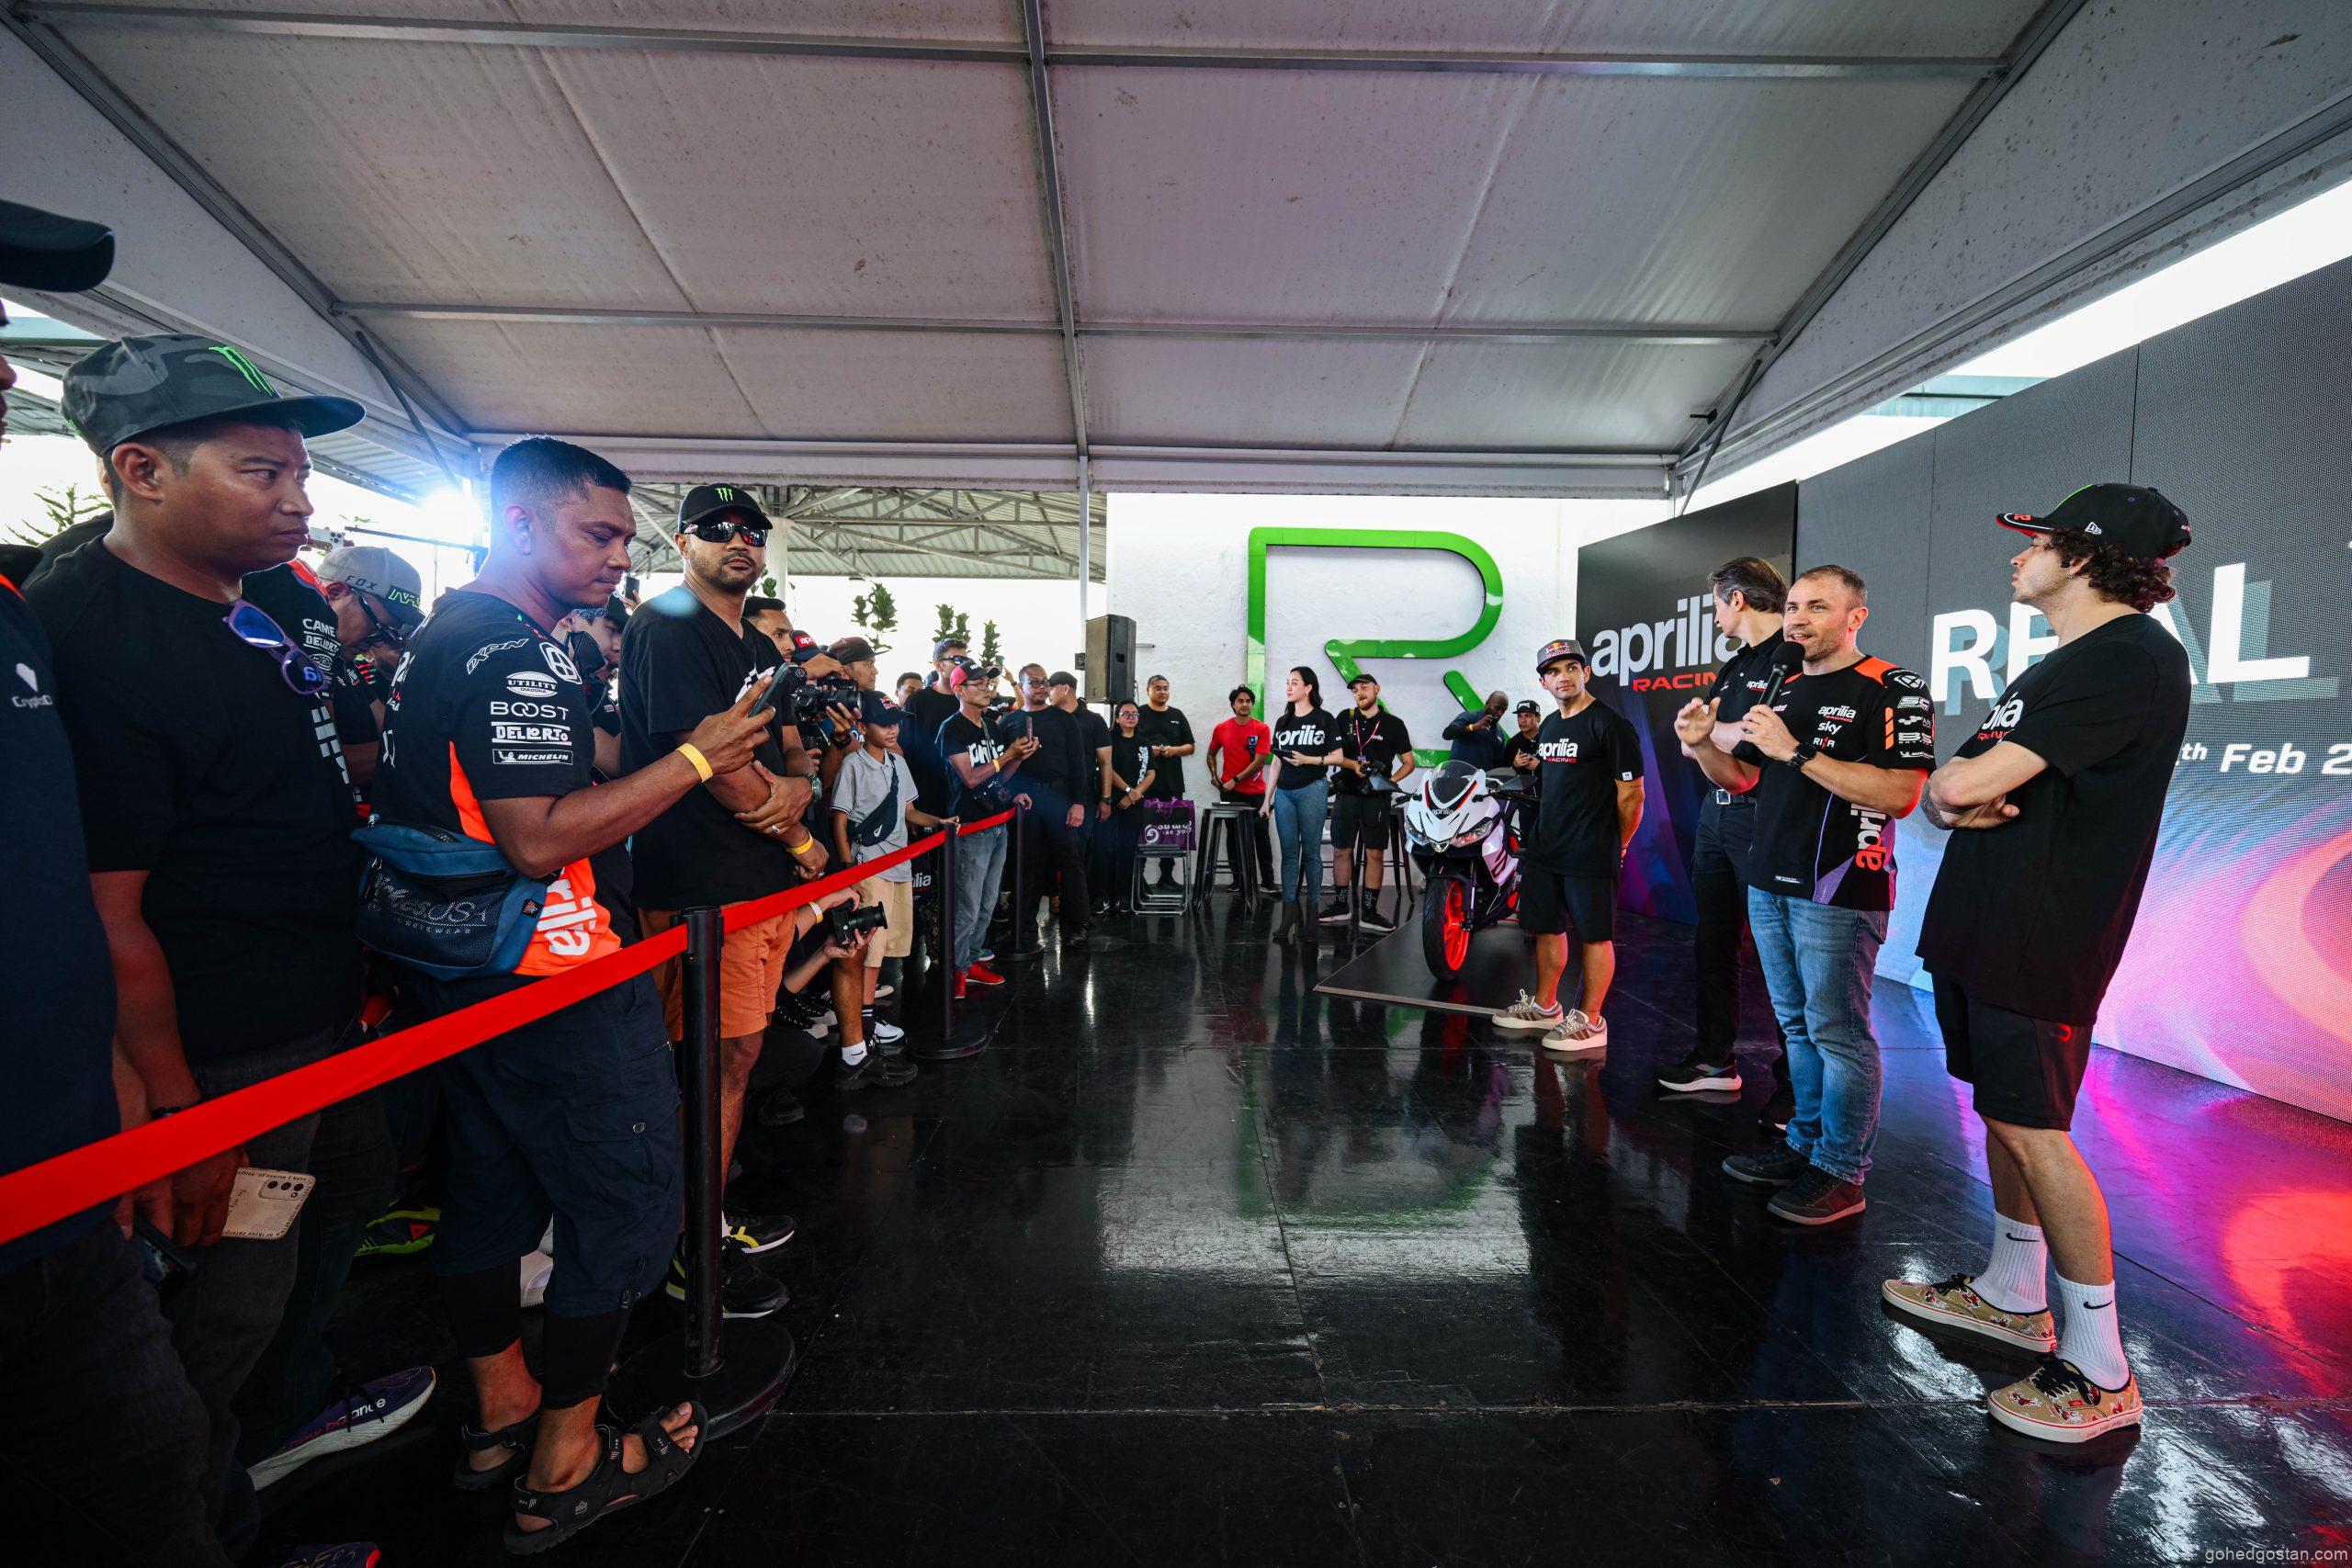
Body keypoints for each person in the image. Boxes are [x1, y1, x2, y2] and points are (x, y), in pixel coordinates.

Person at [0, 202, 378, 1568]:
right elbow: (107, 904)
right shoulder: (90, 630)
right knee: (203, 1333)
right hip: (220, 1052)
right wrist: (178, 1111)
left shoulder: (261, 602)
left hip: (317, 1011)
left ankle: (254, 1479)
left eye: (300, 474)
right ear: (142, 469)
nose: (299, 501)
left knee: (286, 1289)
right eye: (262, 471)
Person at [372, 437, 773, 1551]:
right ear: (517, 523)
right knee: (625, 1202)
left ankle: (502, 1413)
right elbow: (539, 840)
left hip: (467, 975)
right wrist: (695, 760)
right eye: (596, 533)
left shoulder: (449, 633)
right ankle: (568, 1461)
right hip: (555, 974)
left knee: (492, 1195)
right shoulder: (516, 654)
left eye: (624, 537)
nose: (616, 556)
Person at [1885, 487, 2193, 1443]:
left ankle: (2101, 1371)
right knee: (2005, 1115)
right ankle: (2014, 1293)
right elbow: (1944, 796)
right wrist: (1954, 793)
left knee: (2036, 1128)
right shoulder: (2064, 662)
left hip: (2042, 933)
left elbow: (1963, 781)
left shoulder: (2129, 658)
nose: (2019, 556)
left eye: (2039, 542)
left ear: (2085, 558)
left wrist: (1957, 791)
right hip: (1988, 921)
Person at [618, 484, 837, 1320]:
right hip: (701, 888)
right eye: (718, 529)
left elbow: (779, 747)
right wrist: (798, 835)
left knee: (731, 1064)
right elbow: (711, 763)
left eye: (752, 530)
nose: (739, 540)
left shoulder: (747, 639)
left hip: (751, 885)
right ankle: (686, 1246)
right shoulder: (669, 623)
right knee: (711, 1066)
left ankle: (696, 1221)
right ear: (682, 542)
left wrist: (796, 784)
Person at [1673, 566, 1933, 1227]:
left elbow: (1901, 794)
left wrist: (1795, 753)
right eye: (1792, 607)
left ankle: (1842, 1171)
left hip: (1840, 883)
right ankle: (1804, 1144)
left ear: (1855, 616)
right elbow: (1740, 778)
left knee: (1838, 1031)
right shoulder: (1782, 684)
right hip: (1769, 879)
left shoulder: (1893, 687)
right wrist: (1701, 747)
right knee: (1795, 1026)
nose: (1797, 619)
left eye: (1817, 607)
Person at [1657, 557, 1796, 1129]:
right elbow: (1696, 743)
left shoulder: (1793, 655)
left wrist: (1714, 735)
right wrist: (1717, 735)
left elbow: (1755, 741)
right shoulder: (1737, 664)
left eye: (1716, 602)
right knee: (1713, 943)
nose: (1715, 614)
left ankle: (1795, 1088)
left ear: (1736, 599)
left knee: (1781, 957)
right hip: (1717, 815)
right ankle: (1714, 1059)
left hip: (1765, 820)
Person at [1491, 640, 1642, 1053]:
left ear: (1586, 673)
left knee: (1595, 936)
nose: (1564, 677)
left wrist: (1620, 843)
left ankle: (1592, 1021)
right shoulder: (1551, 727)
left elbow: (1632, 794)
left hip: (1591, 848)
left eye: (1572, 668)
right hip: (1546, 847)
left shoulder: (1610, 725)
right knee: (1546, 928)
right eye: (1554, 672)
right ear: (1543, 682)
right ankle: (1546, 1007)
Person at [830, 692, 954, 1041]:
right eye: (884, 723)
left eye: (895, 722)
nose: (892, 729)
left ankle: (867, 1018)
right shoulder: (853, 764)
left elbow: (909, 812)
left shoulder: (898, 763)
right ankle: (864, 1023)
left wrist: (939, 822)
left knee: (887, 947)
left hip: (900, 864)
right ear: (862, 726)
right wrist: (848, 869)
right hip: (869, 865)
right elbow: (839, 818)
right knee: (869, 948)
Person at [940, 659, 1035, 998]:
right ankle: (955, 969)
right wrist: (1007, 755)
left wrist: (1019, 756)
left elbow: (997, 778)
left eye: (988, 683)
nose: (986, 688)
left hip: (996, 823)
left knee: (987, 903)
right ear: (959, 690)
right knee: (966, 906)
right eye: (978, 684)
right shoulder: (952, 728)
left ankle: (970, 961)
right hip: (970, 827)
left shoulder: (991, 727)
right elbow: (969, 778)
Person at [1008, 664, 1091, 949]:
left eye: (1044, 681)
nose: (1041, 686)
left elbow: (1079, 764)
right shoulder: (1009, 722)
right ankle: (1023, 927)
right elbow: (1002, 766)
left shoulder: (1064, 720)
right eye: (1034, 682)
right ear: (1021, 686)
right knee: (1026, 865)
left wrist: (1078, 802)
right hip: (1025, 802)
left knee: (1070, 862)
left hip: (1059, 797)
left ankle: (1078, 926)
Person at [1325, 671, 1416, 931]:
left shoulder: (1393, 724)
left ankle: (1370, 912)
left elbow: (1409, 763)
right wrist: (1352, 765)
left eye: (1364, 688)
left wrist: (1386, 782)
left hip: (1375, 798)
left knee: (1375, 853)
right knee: (1341, 850)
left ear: (1377, 689)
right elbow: (1333, 754)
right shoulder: (1344, 719)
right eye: (1355, 690)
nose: (1359, 693)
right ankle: (1341, 906)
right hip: (1346, 793)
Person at [1257, 667, 1340, 943]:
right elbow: (1276, 763)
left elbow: (1338, 757)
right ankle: (1288, 915)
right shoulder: (1283, 721)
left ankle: (1312, 915)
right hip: (1284, 793)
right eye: (1287, 682)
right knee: (1289, 854)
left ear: (1308, 688)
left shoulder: (1324, 719)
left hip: (1312, 788)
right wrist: (1266, 799)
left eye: (1294, 683)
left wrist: (1309, 760)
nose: (1289, 687)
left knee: (1312, 854)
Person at [1048, 671, 1117, 913]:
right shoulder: (1047, 717)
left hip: (1084, 798)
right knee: (1048, 852)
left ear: (1065, 688)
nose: (1047, 693)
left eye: (1050, 687)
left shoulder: (1093, 721)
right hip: (1051, 797)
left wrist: (1105, 798)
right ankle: (1054, 897)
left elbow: (1105, 763)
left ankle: (1075, 906)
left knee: (1078, 853)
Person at [1207, 682, 1277, 894]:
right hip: (1230, 792)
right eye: (1240, 701)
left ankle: (1268, 882)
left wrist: (1235, 779)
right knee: (1233, 836)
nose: (1245, 704)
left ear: (1252, 704)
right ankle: (1238, 881)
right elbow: (1211, 754)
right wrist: (1214, 775)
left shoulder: (1262, 728)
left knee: (1261, 835)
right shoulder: (1222, 728)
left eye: (1248, 701)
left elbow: (1259, 761)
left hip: (1256, 792)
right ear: (1233, 704)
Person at [1136, 673, 1196, 889]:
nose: (1162, 692)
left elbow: (1190, 746)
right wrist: (1147, 750)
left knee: (1170, 830)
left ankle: (1167, 877)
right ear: (1148, 690)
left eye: (1165, 688)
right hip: (1144, 783)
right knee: (1142, 829)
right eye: (1158, 688)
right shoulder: (1139, 713)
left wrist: (1174, 750)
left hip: (1172, 782)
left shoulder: (1176, 715)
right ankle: (1139, 877)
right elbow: (1129, 742)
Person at [1103, 699, 1158, 909]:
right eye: (1126, 714)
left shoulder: (1144, 742)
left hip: (1135, 803)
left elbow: (1151, 772)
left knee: (1128, 850)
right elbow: (1106, 767)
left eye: (1134, 714)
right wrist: (1128, 790)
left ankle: (1125, 896)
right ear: (1117, 718)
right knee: (1108, 849)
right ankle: (1105, 895)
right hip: (1111, 801)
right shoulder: (1108, 739)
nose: (1131, 717)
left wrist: (1135, 794)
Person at [1442, 690, 1511, 771]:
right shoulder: (1469, 717)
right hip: (1455, 776)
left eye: (1503, 710)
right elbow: (1447, 734)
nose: (1500, 713)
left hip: (1480, 779)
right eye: (1497, 708)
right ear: (1487, 703)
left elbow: (1498, 766)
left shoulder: (1500, 734)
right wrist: (1472, 727)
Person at [1504, 699, 1543, 771]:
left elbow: (1561, 769)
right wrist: (1514, 765)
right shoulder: (1512, 744)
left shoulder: (1550, 739)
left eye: (1527, 716)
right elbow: (1504, 774)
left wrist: (1539, 766)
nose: (1523, 720)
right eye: (1519, 716)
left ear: (1538, 717)